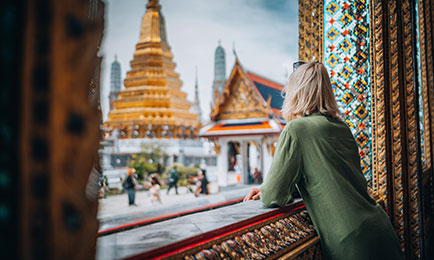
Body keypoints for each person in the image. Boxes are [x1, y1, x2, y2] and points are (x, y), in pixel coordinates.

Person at [244, 62, 402, 260]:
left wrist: (266, 189)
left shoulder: (297, 129)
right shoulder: (342, 128)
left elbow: (274, 196)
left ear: (296, 92)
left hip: (352, 242)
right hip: (381, 229)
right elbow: (326, 174)